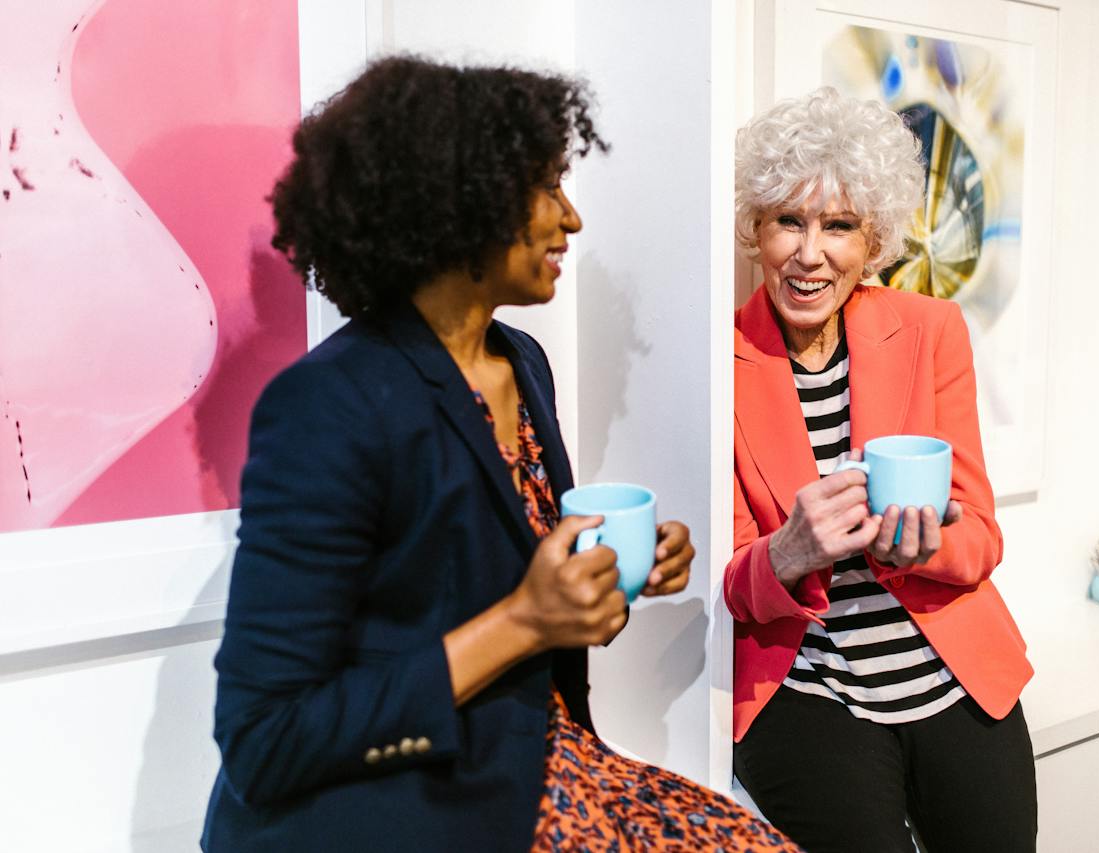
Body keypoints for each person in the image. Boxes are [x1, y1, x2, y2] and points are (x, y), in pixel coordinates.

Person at [201, 57, 798, 853]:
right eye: (548, 187)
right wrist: (527, 619)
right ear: (460, 201)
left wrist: (604, 581)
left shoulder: (521, 363)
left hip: (531, 761)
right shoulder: (327, 405)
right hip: (401, 806)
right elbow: (264, 739)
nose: (572, 219)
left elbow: (487, 574)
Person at [725, 87, 1038, 852]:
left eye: (839, 226)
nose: (810, 252)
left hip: (954, 675)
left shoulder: (931, 330)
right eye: (788, 221)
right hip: (808, 694)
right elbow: (730, 584)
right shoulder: (720, 362)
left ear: (873, 242)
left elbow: (983, 537)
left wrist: (925, 543)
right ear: (755, 230)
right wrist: (788, 552)